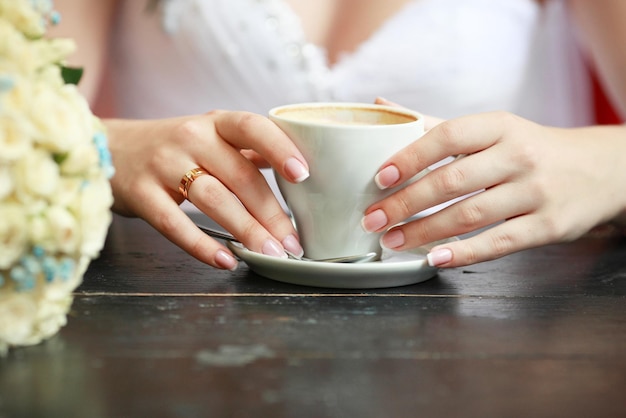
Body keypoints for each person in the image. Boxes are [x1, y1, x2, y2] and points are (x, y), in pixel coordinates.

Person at [49, 0, 626, 271]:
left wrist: (606, 161)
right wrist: (104, 143)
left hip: (502, 327)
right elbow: (24, 98)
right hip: (180, 302)